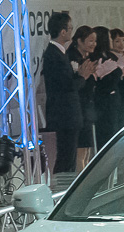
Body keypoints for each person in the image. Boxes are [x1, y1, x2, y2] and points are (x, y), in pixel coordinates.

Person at [42, 13, 93, 174]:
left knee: (69, 157)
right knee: (66, 157)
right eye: (70, 28)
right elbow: (66, 85)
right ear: (63, 32)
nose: (71, 32)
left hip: (69, 114)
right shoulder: (53, 54)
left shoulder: (60, 53)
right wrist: (82, 77)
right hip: (64, 114)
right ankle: (61, 187)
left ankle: (65, 185)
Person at [68, 26, 99, 170]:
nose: (94, 44)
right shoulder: (72, 58)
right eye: (90, 40)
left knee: (86, 151)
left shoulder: (86, 58)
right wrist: (84, 76)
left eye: (95, 41)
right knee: (80, 152)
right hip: (78, 108)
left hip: (87, 108)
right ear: (79, 41)